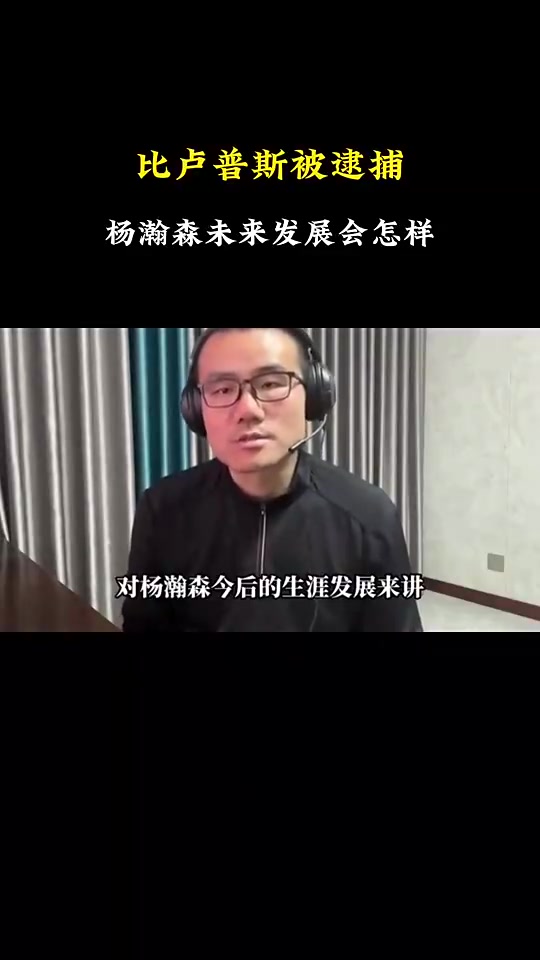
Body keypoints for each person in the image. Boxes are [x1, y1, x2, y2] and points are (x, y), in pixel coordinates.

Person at [121, 327, 423, 633]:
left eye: (270, 384)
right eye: (222, 390)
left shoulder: (369, 514)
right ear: (195, 409)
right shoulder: (162, 508)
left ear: (314, 397)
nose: (248, 410)